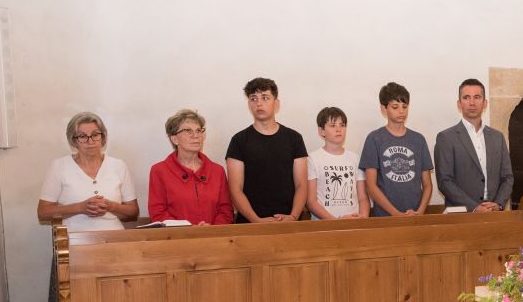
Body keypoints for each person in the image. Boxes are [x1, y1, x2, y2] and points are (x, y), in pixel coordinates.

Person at [37, 112, 139, 302]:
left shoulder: (118, 166)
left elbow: (132, 212)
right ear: (73, 140)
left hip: (114, 249)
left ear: (103, 137)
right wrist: (80, 207)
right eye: (82, 136)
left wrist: (111, 206)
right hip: (73, 250)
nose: (90, 141)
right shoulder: (59, 167)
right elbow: (43, 212)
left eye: (95, 135)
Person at [225, 77, 308, 223]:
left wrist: (293, 217)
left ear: (276, 103)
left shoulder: (294, 138)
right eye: (253, 98)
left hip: (289, 222)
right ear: (249, 104)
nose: (259, 103)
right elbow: (235, 189)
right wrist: (256, 220)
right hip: (250, 224)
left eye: (265, 97)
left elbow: (301, 184)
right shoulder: (239, 141)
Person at [434, 78, 514, 211]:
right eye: (466, 97)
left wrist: (499, 204)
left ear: (485, 103)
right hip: (462, 215)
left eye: (477, 97)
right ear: (459, 104)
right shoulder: (446, 138)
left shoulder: (497, 137)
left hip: (494, 213)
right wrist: (474, 207)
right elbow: (445, 181)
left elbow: (507, 177)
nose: (472, 103)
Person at [148, 109, 234, 225]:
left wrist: (211, 229)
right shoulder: (159, 171)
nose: (196, 136)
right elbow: (158, 212)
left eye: (199, 130)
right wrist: (187, 229)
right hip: (176, 236)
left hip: (213, 235)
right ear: (174, 139)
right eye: (188, 131)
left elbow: (226, 210)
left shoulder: (217, 171)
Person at [359, 82, 433, 217]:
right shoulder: (374, 139)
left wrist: (420, 212)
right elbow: (370, 185)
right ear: (384, 108)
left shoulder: (419, 140)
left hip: (415, 215)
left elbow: (427, 184)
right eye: (395, 107)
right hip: (385, 218)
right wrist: (396, 214)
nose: (401, 111)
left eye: (405, 106)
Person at [306, 106, 370, 219]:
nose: (339, 129)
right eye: (332, 125)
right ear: (321, 131)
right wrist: (336, 222)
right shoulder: (313, 158)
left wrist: (362, 218)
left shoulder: (355, 158)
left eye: (342, 125)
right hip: (325, 225)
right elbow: (311, 202)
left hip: (353, 223)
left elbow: (363, 198)